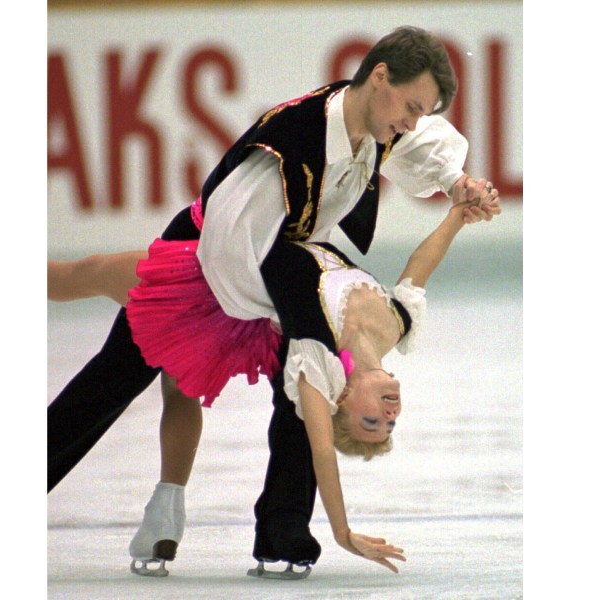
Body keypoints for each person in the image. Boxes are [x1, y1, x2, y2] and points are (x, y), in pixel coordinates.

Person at [47, 25, 501, 577]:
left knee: (300, 387)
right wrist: (294, 307)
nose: (410, 122)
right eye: (411, 106)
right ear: (379, 76)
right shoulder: (289, 143)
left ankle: (283, 536)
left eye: (419, 112)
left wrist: (456, 187)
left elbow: (420, 147)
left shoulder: (378, 120)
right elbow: (227, 243)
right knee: (114, 371)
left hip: (274, 285)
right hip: (204, 268)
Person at [49, 189, 488, 576]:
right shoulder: (401, 324)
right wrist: (456, 215)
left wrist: (342, 531)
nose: (390, 416)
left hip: (203, 278)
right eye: (390, 425)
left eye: (372, 422)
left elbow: (319, 449)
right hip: (243, 265)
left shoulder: (316, 363)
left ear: (343, 399)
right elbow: (419, 267)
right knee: (175, 383)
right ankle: (166, 511)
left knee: (84, 275)